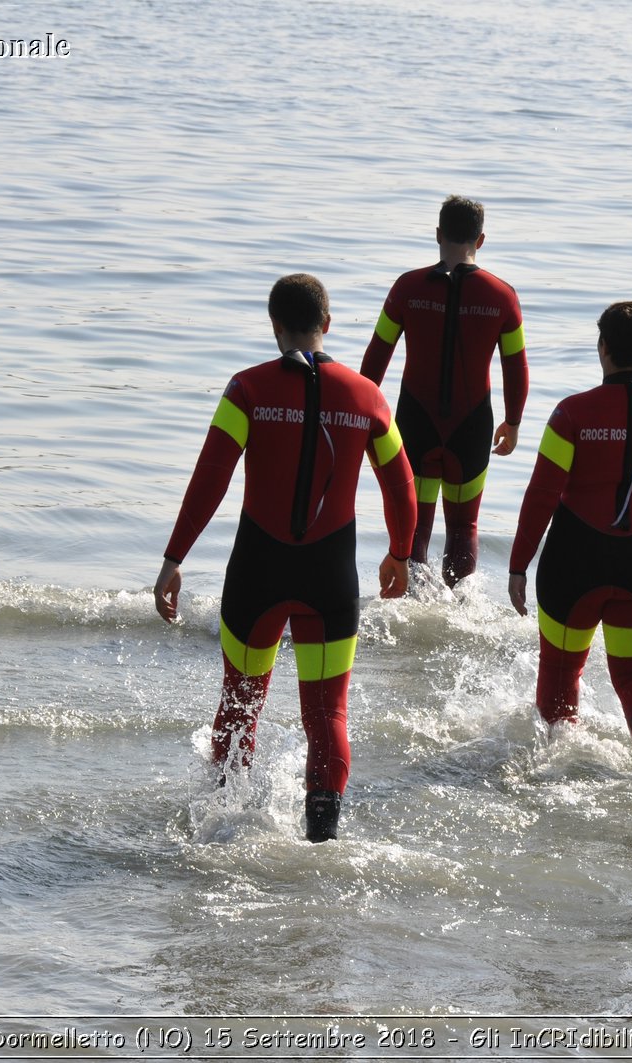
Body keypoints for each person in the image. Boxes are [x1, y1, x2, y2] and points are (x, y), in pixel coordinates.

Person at [153, 274, 417, 842]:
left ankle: (218, 832)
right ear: (328, 323)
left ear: (274, 326)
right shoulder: (368, 397)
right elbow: (402, 489)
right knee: (327, 716)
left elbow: (211, 479)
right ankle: (322, 838)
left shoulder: (246, 390)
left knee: (240, 705)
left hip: (257, 572)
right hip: (330, 578)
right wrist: (399, 553)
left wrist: (175, 558)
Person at [506, 301, 632, 781]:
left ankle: (557, 765)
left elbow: (541, 496)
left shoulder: (571, 414)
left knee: (561, 667)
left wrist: (518, 565)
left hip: (576, 558)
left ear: (603, 348)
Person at [360, 195, 529, 587]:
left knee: (413, 528)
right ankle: (460, 611)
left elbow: (376, 358)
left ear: (437, 234)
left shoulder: (407, 288)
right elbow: (515, 366)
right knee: (463, 527)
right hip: (472, 427)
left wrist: (364, 417)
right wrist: (514, 421)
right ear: (481, 239)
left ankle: (417, 608)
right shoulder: (503, 296)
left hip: (414, 423)